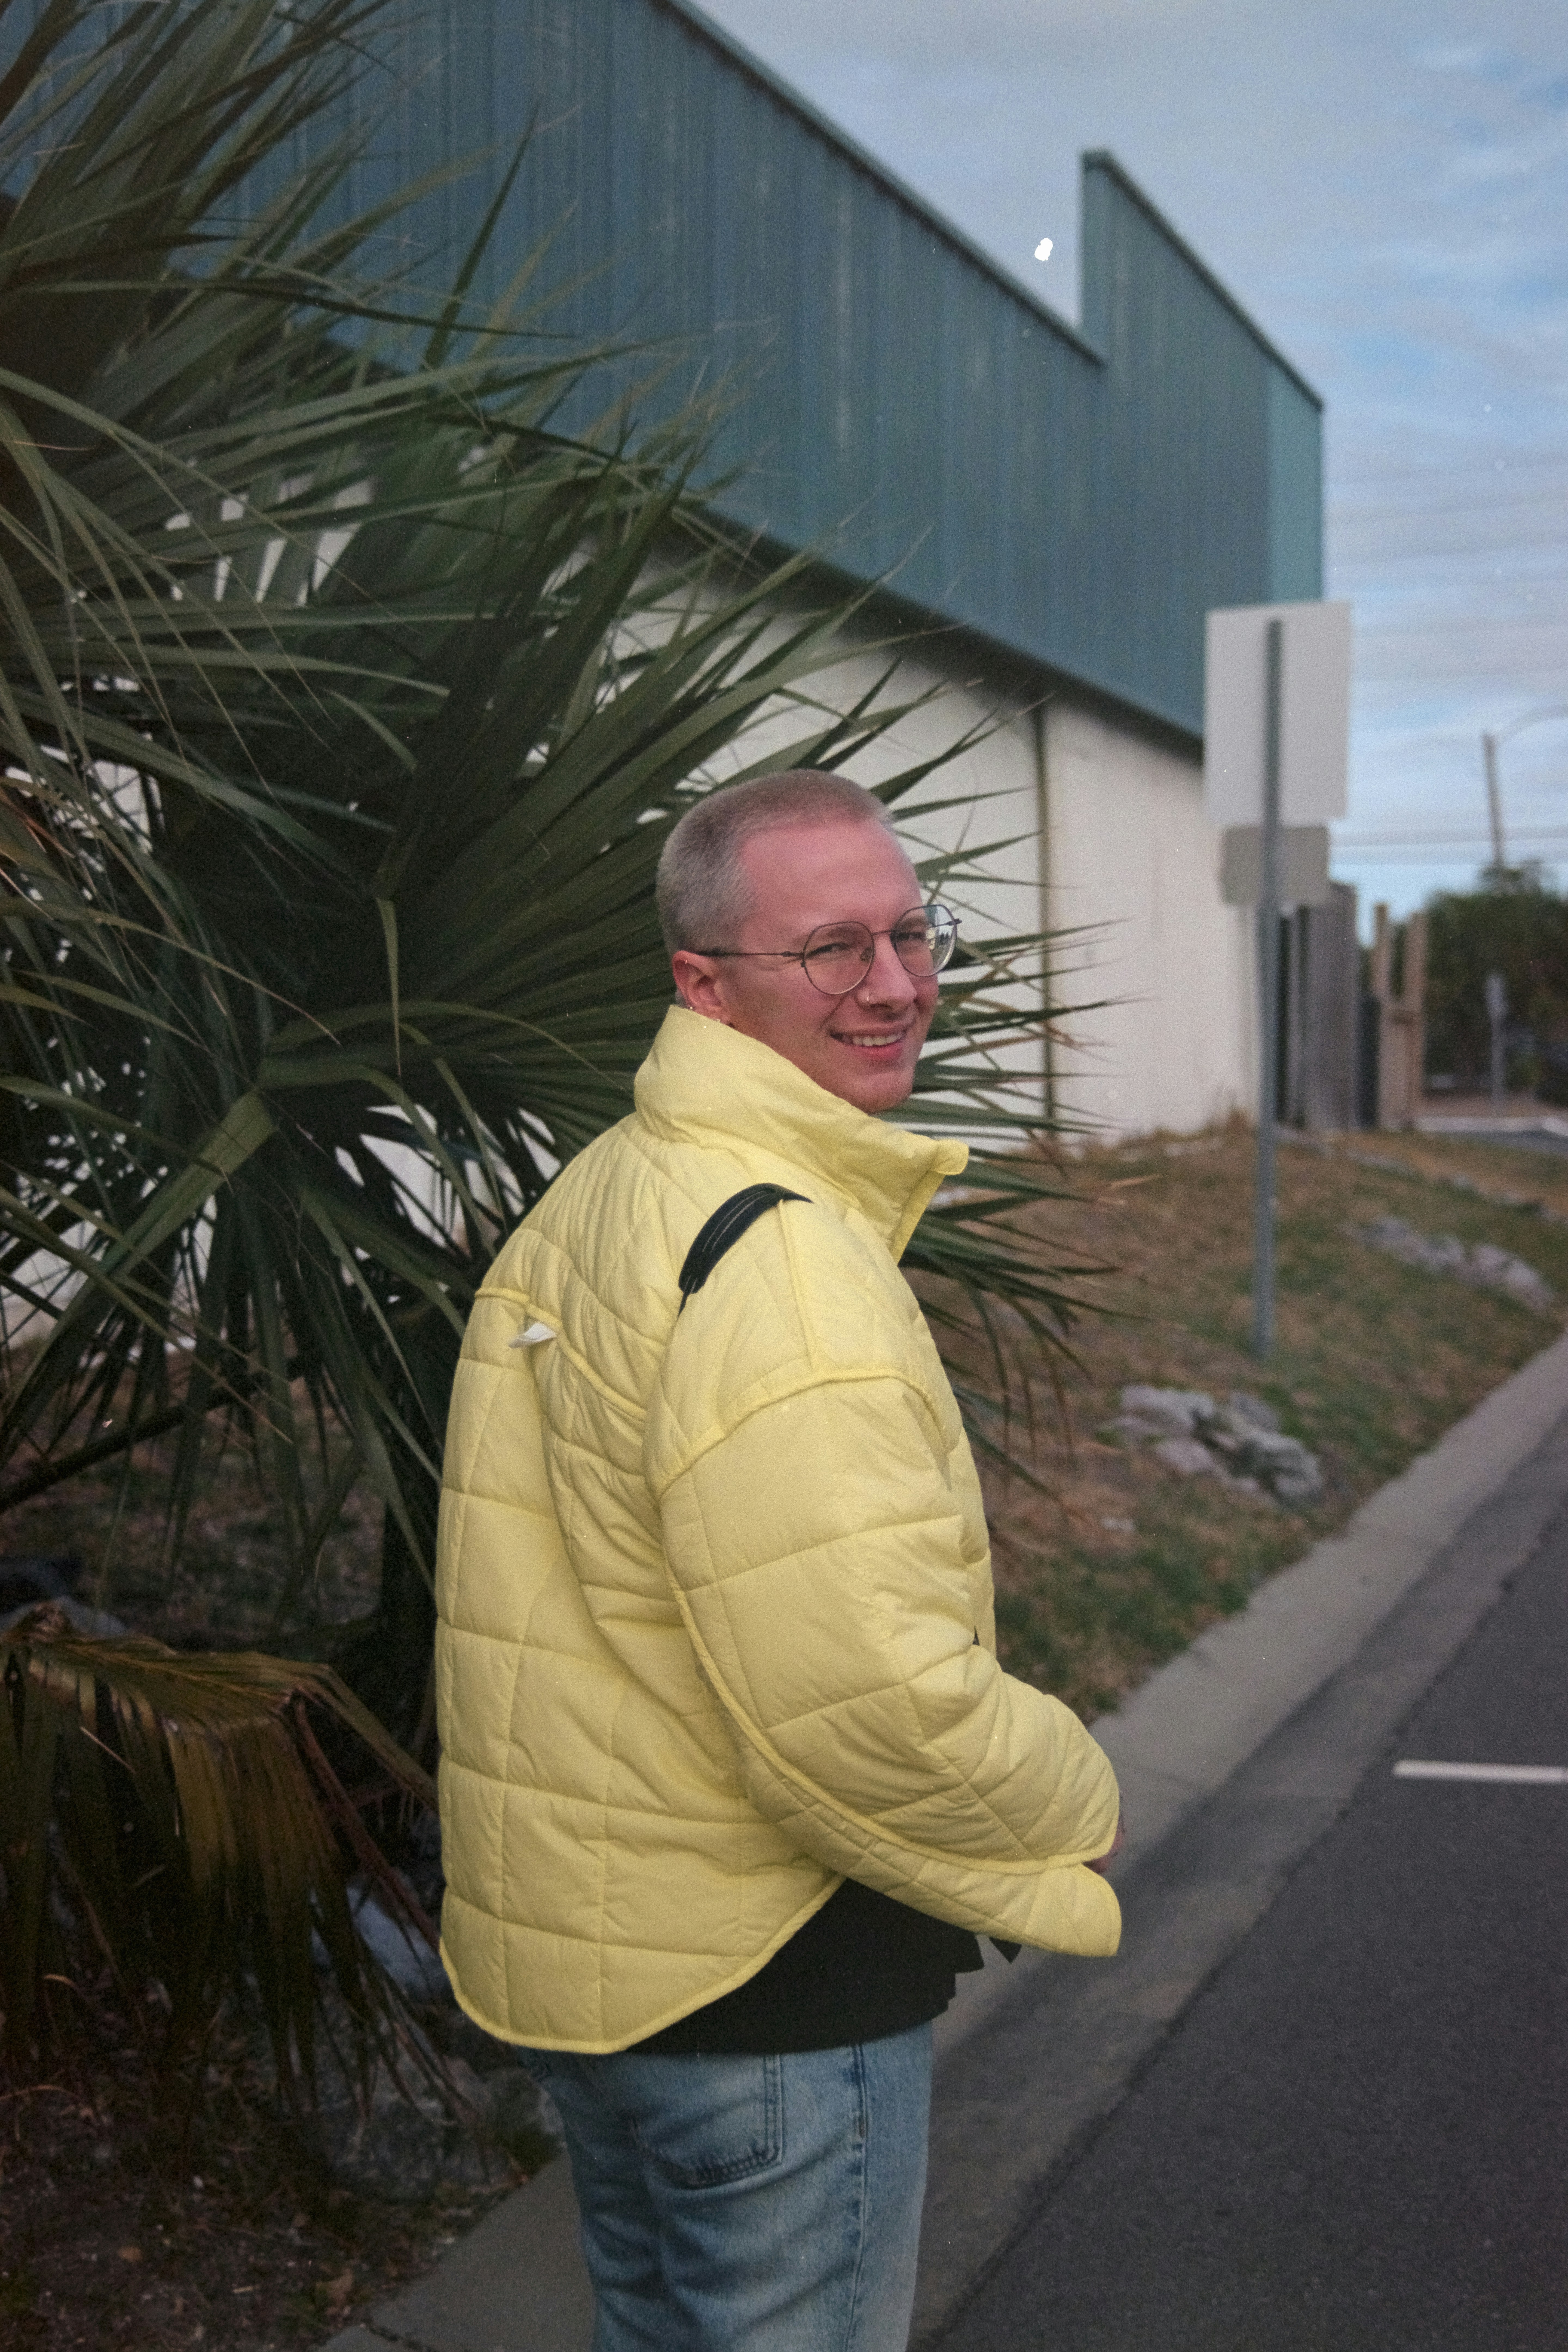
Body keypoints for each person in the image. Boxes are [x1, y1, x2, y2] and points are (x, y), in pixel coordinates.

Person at [434, 769, 1123, 2351]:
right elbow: (871, 1696)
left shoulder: (616, 1185)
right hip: (764, 1980)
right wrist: (1069, 1802)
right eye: (829, 949)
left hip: (609, 1964)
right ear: (704, 983)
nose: (892, 986)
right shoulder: (784, 1261)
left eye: (909, 935)